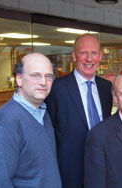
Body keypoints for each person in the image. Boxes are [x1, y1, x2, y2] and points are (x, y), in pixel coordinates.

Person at [45, 34, 113, 188]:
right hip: (70, 174)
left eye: (94, 53)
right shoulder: (57, 89)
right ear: (74, 56)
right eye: (83, 53)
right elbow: (49, 135)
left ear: (100, 56)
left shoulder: (106, 88)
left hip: (102, 171)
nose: (89, 59)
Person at [0, 53, 62, 188]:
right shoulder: (7, 121)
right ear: (19, 79)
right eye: (35, 75)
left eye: (48, 76)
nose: (43, 82)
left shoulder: (43, 113)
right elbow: (0, 181)